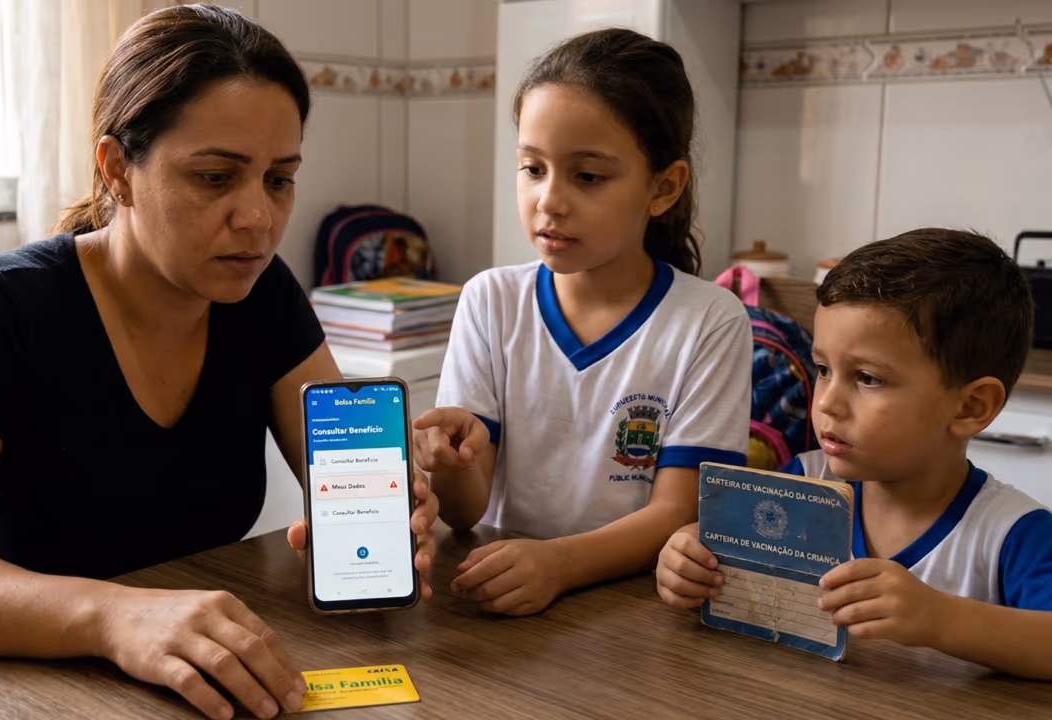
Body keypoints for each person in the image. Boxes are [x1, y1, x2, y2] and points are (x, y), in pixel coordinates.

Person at [0, 7, 437, 720]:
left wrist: (384, 512)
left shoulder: (262, 294)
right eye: (216, 177)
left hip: (180, 690)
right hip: (3, 693)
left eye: (279, 180)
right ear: (117, 169)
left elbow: (345, 473)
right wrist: (111, 615)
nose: (258, 218)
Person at [413, 28, 752, 617]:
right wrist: (449, 463)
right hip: (500, 591)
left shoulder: (709, 321)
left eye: (588, 176)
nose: (549, 200)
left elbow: (678, 514)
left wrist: (559, 565)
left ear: (663, 187)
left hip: (630, 613)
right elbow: (466, 514)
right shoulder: (490, 300)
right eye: (532, 168)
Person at [655, 229, 1052, 679]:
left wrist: (941, 619)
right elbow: (729, 569)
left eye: (868, 378)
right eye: (823, 369)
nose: (827, 402)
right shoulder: (801, 482)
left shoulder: (1016, 534)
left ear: (970, 407)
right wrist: (689, 559)